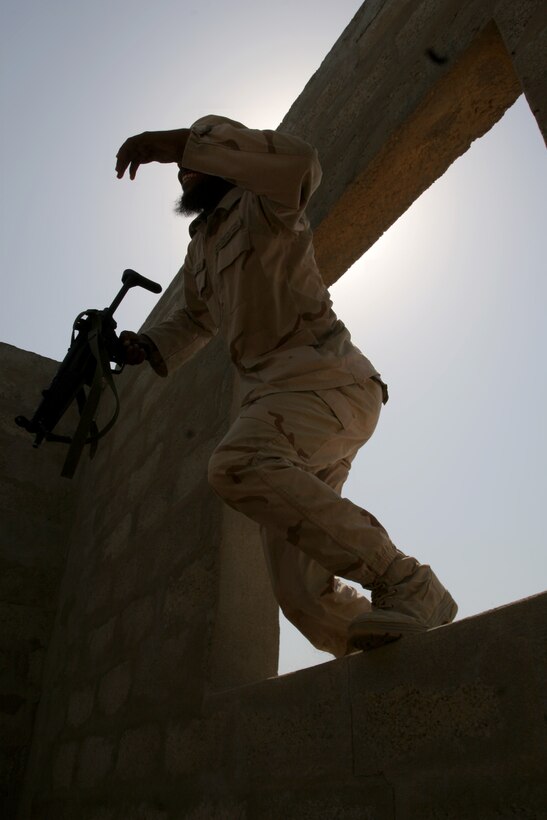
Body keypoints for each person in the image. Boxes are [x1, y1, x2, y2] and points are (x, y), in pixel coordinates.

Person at [115, 115, 457, 657]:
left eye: (191, 164)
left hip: (328, 382)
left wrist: (179, 141)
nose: (182, 173)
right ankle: (397, 648)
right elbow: (196, 319)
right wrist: (146, 345)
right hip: (278, 402)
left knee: (237, 462)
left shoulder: (266, 200)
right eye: (179, 168)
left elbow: (303, 163)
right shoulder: (200, 248)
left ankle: (410, 585)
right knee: (299, 590)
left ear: (220, 161)